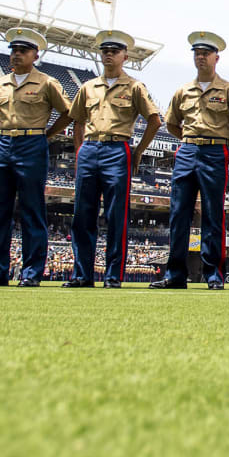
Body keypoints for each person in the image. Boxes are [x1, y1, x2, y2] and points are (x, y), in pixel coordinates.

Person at [0, 28, 71, 287]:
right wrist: (4, 134)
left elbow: (68, 112)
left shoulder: (47, 83)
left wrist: (46, 134)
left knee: (31, 209)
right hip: (3, 143)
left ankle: (31, 272)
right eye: (14, 50)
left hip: (32, 142)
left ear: (35, 56)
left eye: (22, 51)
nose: (16, 55)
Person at [159, 31, 229, 290]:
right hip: (187, 151)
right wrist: (192, 139)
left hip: (214, 152)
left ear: (216, 57)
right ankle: (175, 275)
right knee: (179, 214)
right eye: (197, 53)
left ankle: (213, 275)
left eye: (205, 53)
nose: (200, 57)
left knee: (213, 214)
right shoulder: (182, 91)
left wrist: (224, 141)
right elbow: (171, 124)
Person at [68, 30, 161, 289]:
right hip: (89, 148)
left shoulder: (134, 87)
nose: (108, 55)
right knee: (82, 216)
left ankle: (112, 275)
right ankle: (81, 275)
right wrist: (78, 152)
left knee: (115, 216)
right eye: (105, 51)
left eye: (114, 51)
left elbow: (154, 120)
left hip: (117, 149)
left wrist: (138, 150)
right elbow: (77, 121)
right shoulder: (88, 87)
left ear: (125, 56)